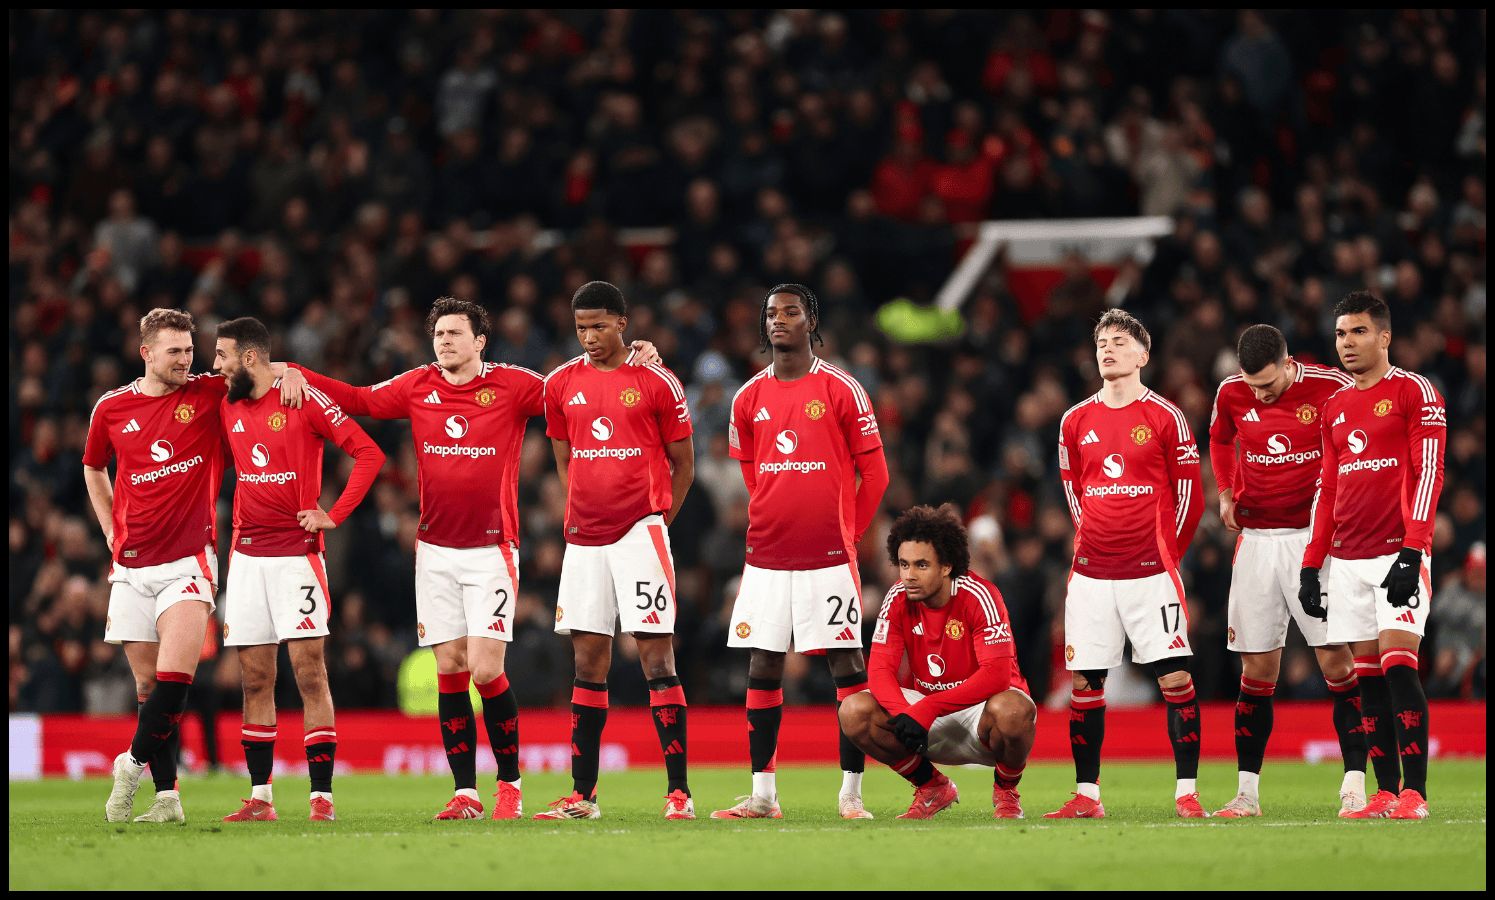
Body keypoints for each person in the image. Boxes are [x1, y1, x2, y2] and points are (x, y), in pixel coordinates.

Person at [88, 308, 304, 824]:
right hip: (131, 566)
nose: (187, 359)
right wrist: (109, 532)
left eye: (190, 349)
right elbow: (93, 465)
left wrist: (293, 371)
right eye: (175, 351)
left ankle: (131, 763)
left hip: (188, 559)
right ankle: (167, 798)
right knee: (146, 689)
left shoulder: (208, 394)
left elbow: (261, 369)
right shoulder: (112, 408)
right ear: (146, 354)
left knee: (175, 678)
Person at [712, 283, 890, 821]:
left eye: (790, 312)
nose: (778, 321)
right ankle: (763, 796)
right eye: (770, 313)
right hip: (766, 556)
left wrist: (848, 535)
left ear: (811, 320)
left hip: (830, 558)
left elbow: (876, 475)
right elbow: (752, 473)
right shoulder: (746, 398)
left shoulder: (841, 388)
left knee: (846, 665)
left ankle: (851, 795)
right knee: (763, 665)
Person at [533, 281, 696, 821]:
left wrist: (654, 521)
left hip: (639, 535)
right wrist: (576, 512)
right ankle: (583, 795)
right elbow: (563, 458)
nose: (589, 337)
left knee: (656, 658)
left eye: (599, 325)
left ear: (623, 323)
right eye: (581, 327)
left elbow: (684, 464)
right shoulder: (561, 384)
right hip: (583, 541)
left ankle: (679, 793)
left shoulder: (657, 381)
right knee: (586, 662)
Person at [212, 317, 385, 823]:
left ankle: (321, 798)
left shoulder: (302, 399)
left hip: (297, 557)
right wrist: (287, 367)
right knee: (254, 679)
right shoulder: (228, 403)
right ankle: (261, 797)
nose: (214, 367)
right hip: (246, 558)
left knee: (310, 674)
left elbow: (368, 453)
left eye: (221, 356)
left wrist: (335, 513)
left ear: (248, 358)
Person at [1048, 309, 1207, 819]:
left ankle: (1186, 793)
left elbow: (1190, 498)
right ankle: (1087, 796)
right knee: (1085, 685)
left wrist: (1163, 555)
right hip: (1092, 576)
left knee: (1175, 681)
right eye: (1101, 343)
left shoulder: (1165, 416)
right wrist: (1096, 540)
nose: (1108, 349)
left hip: (1150, 575)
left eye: (1119, 341)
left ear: (1143, 354)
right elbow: (1074, 494)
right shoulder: (1074, 420)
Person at [1208, 324, 1368, 817]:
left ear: (1288, 361)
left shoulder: (1330, 388)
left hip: (1314, 542)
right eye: (1253, 385)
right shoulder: (1231, 393)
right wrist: (1226, 491)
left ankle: (1355, 785)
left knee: (1337, 664)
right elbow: (1218, 439)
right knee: (1256, 672)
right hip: (1256, 544)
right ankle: (1247, 795)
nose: (1261, 393)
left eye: (1269, 384)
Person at [1300, 291, 1446, 820]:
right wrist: (1312, 563)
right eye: (1340, 334)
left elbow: (1428, 471)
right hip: (1348, 559)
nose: (1347, 343)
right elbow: (1329, 490)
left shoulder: (1414, 391)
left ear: (1384, 337)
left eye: (1358, 332)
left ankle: (1416, 794)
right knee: (1368, 679)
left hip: (1396, 554)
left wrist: (1414, 550)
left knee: (1400, 667)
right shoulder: (1335, 408)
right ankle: (1385, 792)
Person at [840, 504, 1036, 819]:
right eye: (903, 564)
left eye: (921, 565)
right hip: (929, 713)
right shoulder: (898, 598)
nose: (909, 576)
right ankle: (932, 787)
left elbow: (996, 676)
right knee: (853, 711)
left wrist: (927, 710)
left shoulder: (980, 596)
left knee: (1014, 710)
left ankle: (1007, 791)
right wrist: (908, 714)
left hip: (981, 714)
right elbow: (879, 672)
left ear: (946, 566)